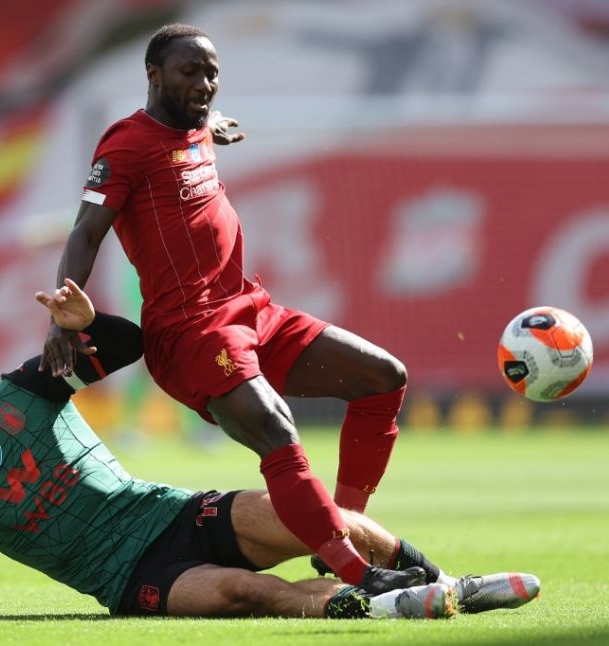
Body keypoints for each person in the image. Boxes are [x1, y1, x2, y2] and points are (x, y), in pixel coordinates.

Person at [0, 281, 539, 621]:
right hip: (132, 583)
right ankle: (383, 607)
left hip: (171, 515)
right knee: (249, 594)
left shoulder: (24, 391)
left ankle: (442, 579)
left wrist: (91, 320)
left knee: (316, 519)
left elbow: (127, 346)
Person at [41, 23, 412, 588]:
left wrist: (207, 122)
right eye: (190, 72)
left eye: (212, 72)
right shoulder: (125, 144)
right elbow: (85, 232)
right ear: (154, 76)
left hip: (249, 307)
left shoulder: (194, 125)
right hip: (192, 333)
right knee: (279, 433)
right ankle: (359, 572)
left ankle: (342, 529)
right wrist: (62, 309)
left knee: (384, 378)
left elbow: (191, 126)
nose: (205, 83)